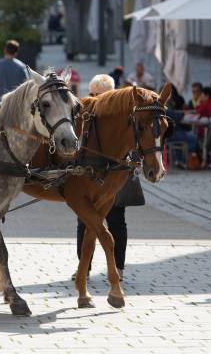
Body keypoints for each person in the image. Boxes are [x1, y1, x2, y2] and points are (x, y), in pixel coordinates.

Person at [74, 74, 129, 281]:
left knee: (116, 221)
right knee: (83, 221)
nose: (95, 98)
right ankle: (83, 268)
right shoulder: (85, 113)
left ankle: (118, 267)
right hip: (90, 176)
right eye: (92, 94)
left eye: (100, 95)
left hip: (114, 176)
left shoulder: (120, 116)